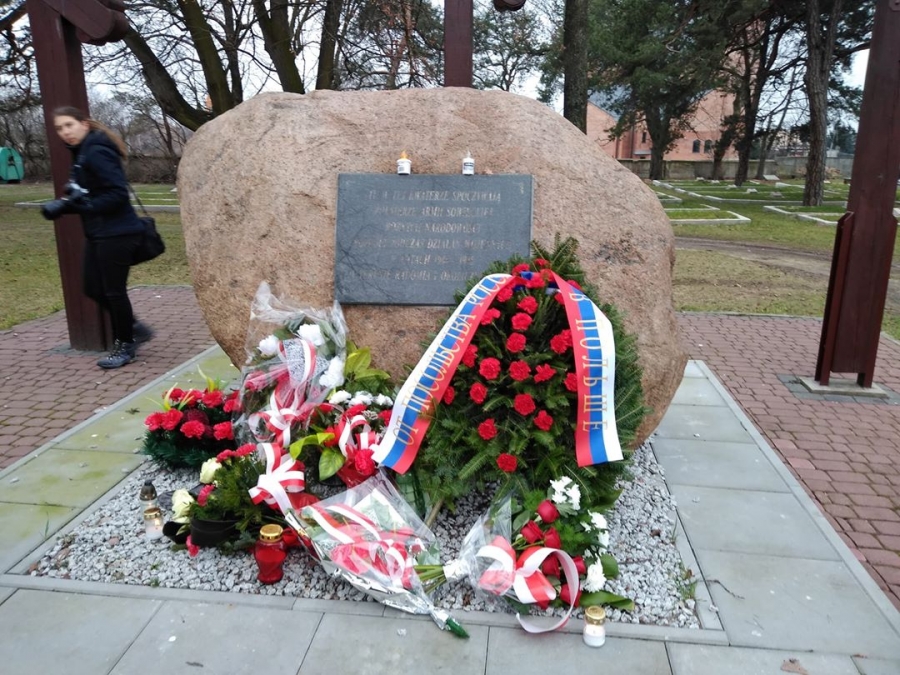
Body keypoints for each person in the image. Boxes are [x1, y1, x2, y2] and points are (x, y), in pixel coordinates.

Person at [40, 106, 155, 369]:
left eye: (69, 125)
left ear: (84, 123)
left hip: (118, 233)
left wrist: (78, 205)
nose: (65, 132)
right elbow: (89, 193)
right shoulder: (82, 151)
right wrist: (65, 205)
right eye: (59, 128)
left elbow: (117, 194)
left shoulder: (96, 150)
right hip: (100, 232)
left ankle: (126, 345)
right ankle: (134, 328)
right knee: (92, 287)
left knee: (114, 292)